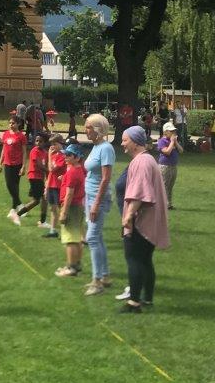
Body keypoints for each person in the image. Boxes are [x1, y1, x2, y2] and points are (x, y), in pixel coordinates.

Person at [118, 126, 170, 313]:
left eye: (125, 140)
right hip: (150, 218)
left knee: (134, 258)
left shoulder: (140, 162)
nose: (122, 143)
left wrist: (129, 215)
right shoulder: (148, 159)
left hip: (142, 220)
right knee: (146, 259)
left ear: (134, 141)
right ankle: (147, 298)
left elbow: (139, 193)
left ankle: (134, 303)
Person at [83, 113, 116, 294]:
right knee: (98, 237)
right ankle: (105, 276)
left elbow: (105, 179)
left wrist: (96, 204)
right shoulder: (96, 147)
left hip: (98, 199)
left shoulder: (106, 148)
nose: (85, 130)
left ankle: (97, 282)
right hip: (89, 197)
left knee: (92, 238)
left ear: (97, 129)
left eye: (88, 127)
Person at [55, 142, 87, 278]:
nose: (65, 157)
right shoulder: (77, 169)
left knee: (70, 239)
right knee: (77, 238)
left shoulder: (73, 172)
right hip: (78, 206)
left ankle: (71, 268)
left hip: (72, 207)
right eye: (65, 154)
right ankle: (77, 265)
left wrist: (63, 212)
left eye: (69, 155)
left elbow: (69, 194)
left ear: (77, 157)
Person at [11, 131, 49, 226]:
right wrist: (50, 171)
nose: (38, 143)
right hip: (34, 176)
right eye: (36, 141)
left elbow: (46, 164)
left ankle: (42, 221)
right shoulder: (34, 151)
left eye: (40, 141)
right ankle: (18, 215)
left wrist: (47, 176)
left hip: (40, 177)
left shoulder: (45, 152)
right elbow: (39, 165)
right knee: (39, 200)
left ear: (45, 143)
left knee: (41, 199)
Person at [0, 116, 27, 213]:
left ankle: (14, 208)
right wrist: (0, 163)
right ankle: (19, 205)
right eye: (10, 123)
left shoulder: (21, 136)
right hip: (8, 164)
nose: (11, 125)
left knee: (15, 185)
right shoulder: (5, 134)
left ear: (18, 124)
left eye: (13, 123)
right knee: (9, 185)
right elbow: (3, 149)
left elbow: (24, 152)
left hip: (17, 164)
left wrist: (23, 166)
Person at [156, 122, 180, 209]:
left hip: (173, 166)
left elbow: (181, 150)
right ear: (165, 132)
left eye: (174, 131)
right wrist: (172, 142)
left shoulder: (173, 141)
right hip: (164, 166)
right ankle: (162, 204)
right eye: (171, 131)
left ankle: (169, 204)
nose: (173, 133)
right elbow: (167, 152)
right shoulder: (162, 141)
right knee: (164, 186)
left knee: (170, 186)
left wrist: (175, 142)